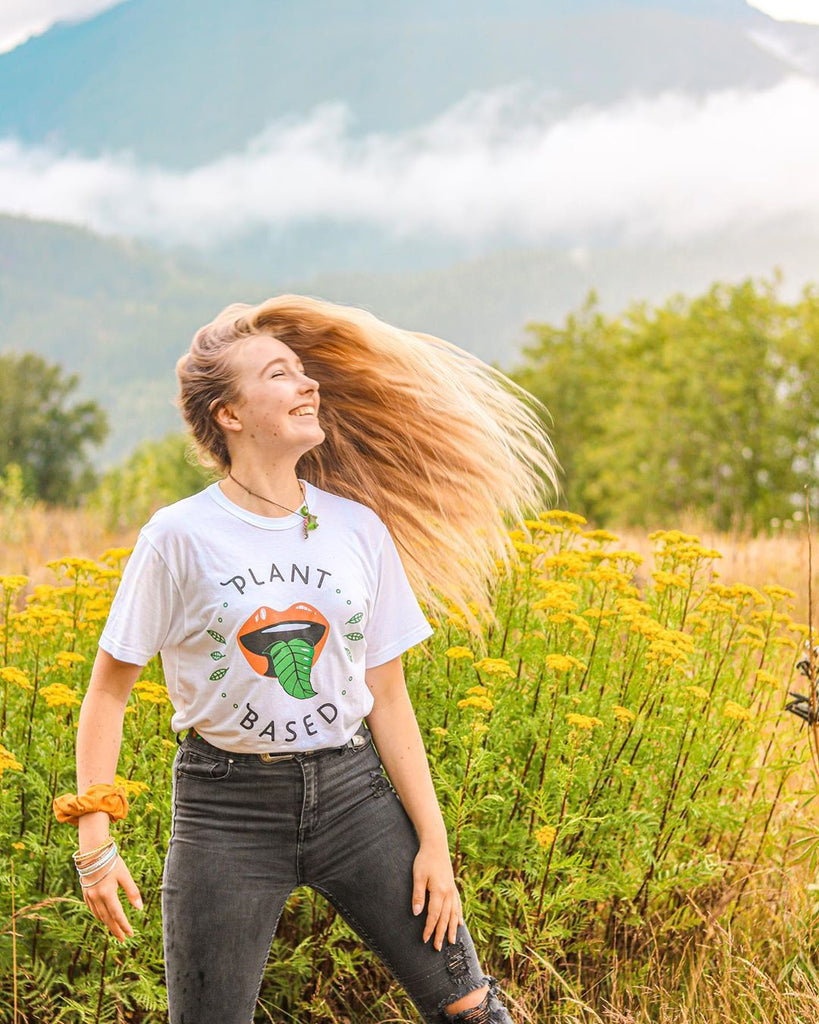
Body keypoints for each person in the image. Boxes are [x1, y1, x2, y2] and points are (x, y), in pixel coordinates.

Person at [57, 296, 557, 1024]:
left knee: (471, 1008)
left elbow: (387, 694)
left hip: (355, 796)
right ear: (229, 413)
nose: (307, 385)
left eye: (303, 372)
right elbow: (107, 694)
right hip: (225, 809)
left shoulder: (355, 527)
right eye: (279, 374)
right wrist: (94, 837)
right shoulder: (180, 535)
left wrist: (434, 845)